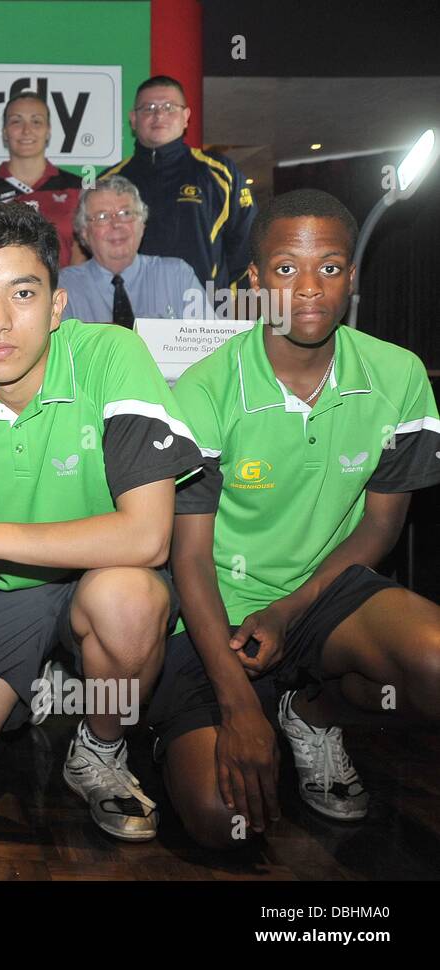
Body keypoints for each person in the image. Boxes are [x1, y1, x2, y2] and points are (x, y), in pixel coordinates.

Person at [0, 202, 203, 843]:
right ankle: (31, 682)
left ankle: (101, 742)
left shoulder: (112, 354)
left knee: (129, 598)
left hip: (98, 579)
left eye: (23, 294)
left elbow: (148, 537)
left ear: (58, 306)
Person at [149, 189, 440, 848]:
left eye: (329, 267)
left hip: (327, 598)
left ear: (352, 276)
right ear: (255, 280)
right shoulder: (203, 389)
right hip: (212, 615)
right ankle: (219, 716)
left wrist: (288, 610)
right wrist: (235, 701)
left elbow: (378, 530)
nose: (308, 288)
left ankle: (310, 712)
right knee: (226, 824)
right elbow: (186, 557)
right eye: (285, 269)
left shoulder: (399, 378)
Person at [102, 75, 255, 290]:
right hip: (126, 313)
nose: (158, 115)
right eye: (148, 108)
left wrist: (228, 307)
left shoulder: (220, 173)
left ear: (186, 117)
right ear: (133, 119)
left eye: (169, 107)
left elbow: (247, 246)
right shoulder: (108, 182)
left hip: (203, 311)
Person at [0, 91, 84, 267]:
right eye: (16, 121)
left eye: (36, 121)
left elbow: (91, 249)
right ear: (4, 132)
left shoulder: (78, 188)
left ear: (48, 131)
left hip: (69, 292)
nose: (26, 130)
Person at [59, 177, 204, 325]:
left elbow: (211, 343)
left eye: (126, 213)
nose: (116, 224)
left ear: (142, 224)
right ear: (84, 231)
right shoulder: (65, 287)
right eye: (102, 217)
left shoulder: (177, 276)